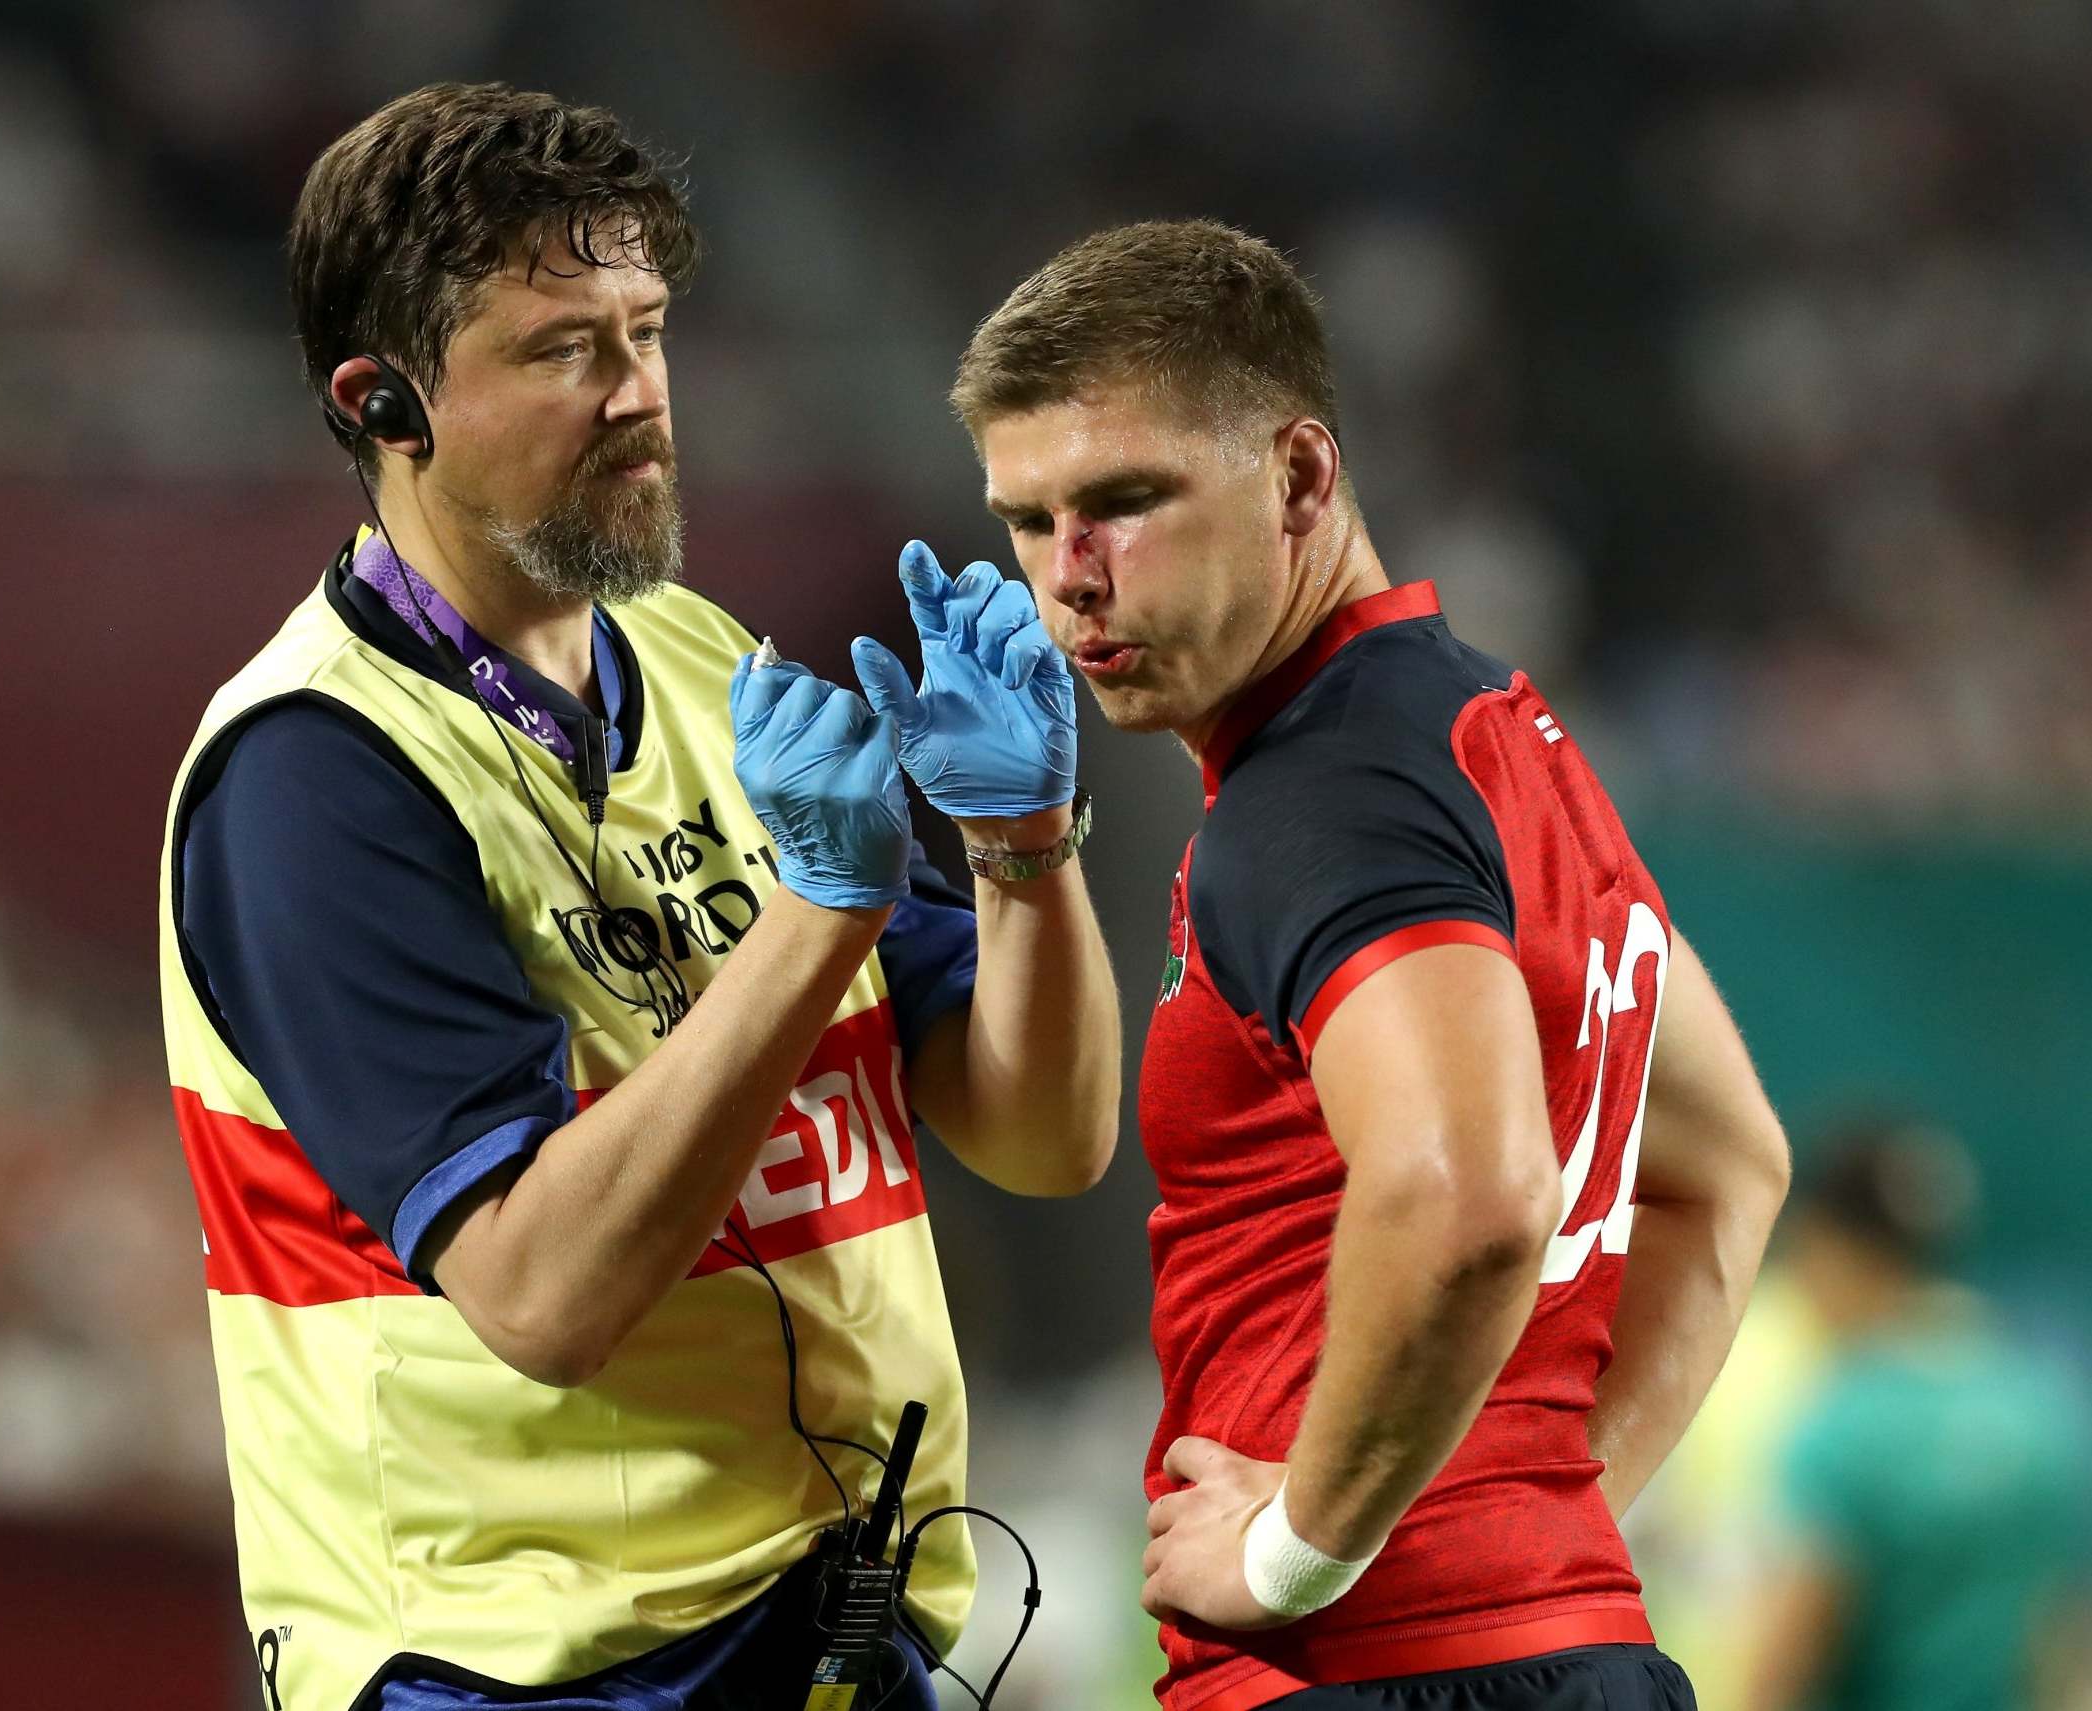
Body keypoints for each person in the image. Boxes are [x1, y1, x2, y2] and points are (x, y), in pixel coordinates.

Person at [156, 83, 1120, 1711]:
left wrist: (1022, 845)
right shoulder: (310, 778)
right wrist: (822, 910)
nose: (639, 397)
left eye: (647, 330)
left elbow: (1043, 1136)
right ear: (384, 400)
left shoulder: (700, 658)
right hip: (521, 1672)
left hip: (826, 1625)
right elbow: (542, 1291)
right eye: (560, 350)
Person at [946, 220, 1794, 1711]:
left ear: (1300, 477)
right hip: (1554, 1648)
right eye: (1027, 520)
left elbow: (1468, 1195)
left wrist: (1299, 1551)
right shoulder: (1489, 733)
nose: (1068, 577)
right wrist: (1514, 1531)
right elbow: (1724, 1168)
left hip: (1360, 1674)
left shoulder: (1323, 794)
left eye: (1125, 501)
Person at [1746, 1120, 2092, 1711]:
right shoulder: (2044, 1408)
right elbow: (2065, 1639)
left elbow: (1787, 1662)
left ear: (1824, 1244)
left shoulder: (1846, 1428)